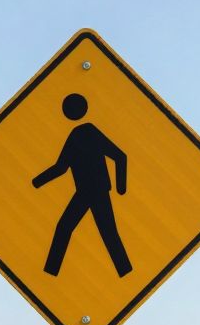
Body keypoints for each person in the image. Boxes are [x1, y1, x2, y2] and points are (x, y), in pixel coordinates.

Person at [32, 93, 133, 277]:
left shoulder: (87, 132)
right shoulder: (78, 134)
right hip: (87, 192)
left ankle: (125, 272)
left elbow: (120, 156)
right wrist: (37, 182)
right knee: (70, 228)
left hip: (97, 191)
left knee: (104, 232)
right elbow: (61, 167)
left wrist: (121, 187)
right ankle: (50, 273)